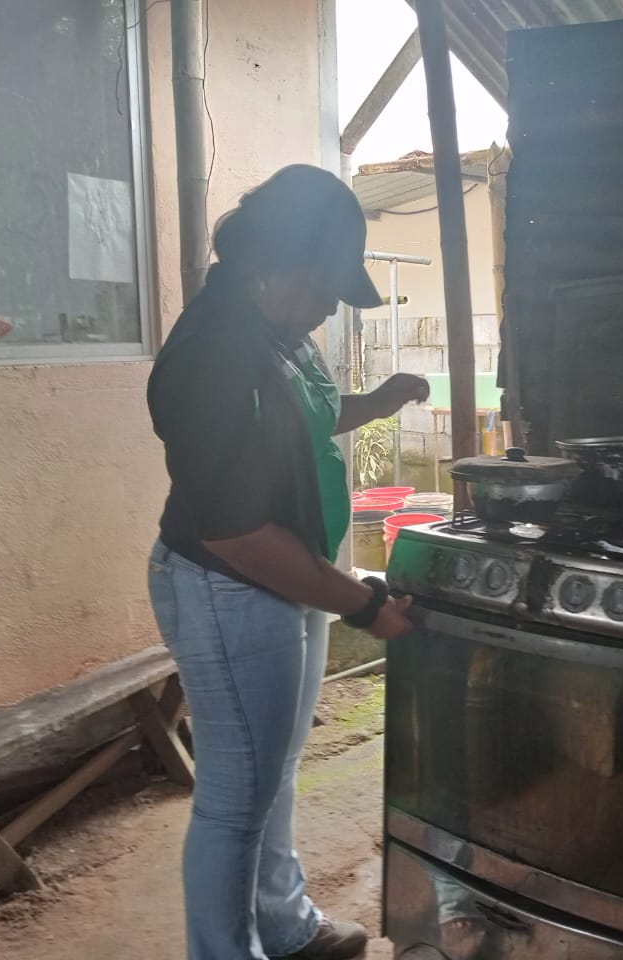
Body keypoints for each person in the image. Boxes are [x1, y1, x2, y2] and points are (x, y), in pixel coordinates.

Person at [147, 164, 427, 960]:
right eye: (326, 285)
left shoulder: (274, 330)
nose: (333, 305)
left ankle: (286, 926)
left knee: (273, 772)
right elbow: (236, 533)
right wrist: (363, 605)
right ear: (275, 265)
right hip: (228, 586)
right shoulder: (211, 357)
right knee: (235, 799)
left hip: (281, 573)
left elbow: (295, 422)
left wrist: (376, 403)